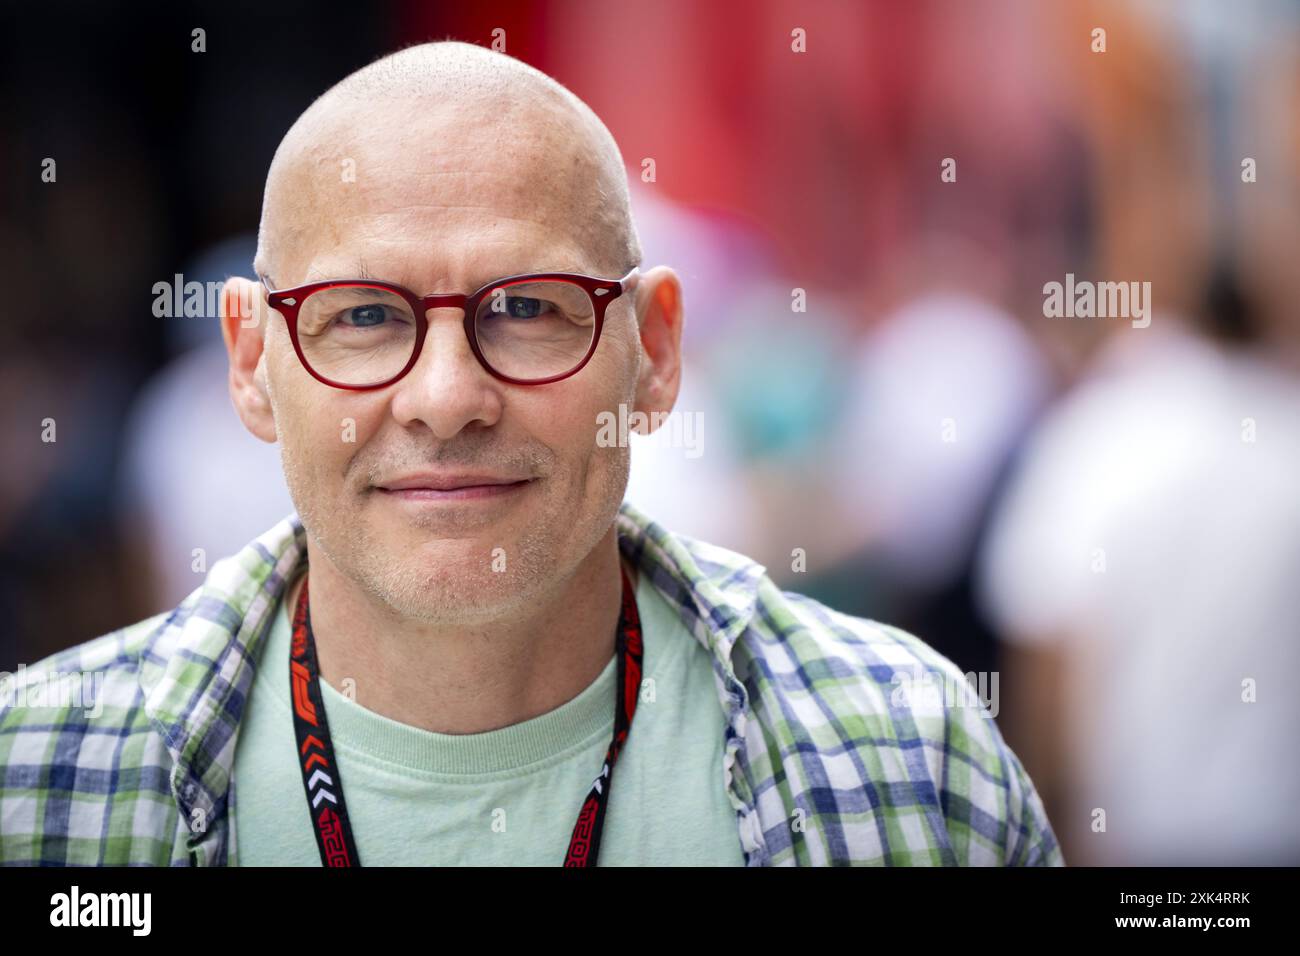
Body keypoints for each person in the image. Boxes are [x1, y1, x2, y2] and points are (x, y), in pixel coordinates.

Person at [0, 41, 1061, 867]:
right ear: (250, 361)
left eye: (526, 308)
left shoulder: (906, 757)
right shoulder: (42, 777)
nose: (448, 396)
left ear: (652, 351)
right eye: (365, 314)